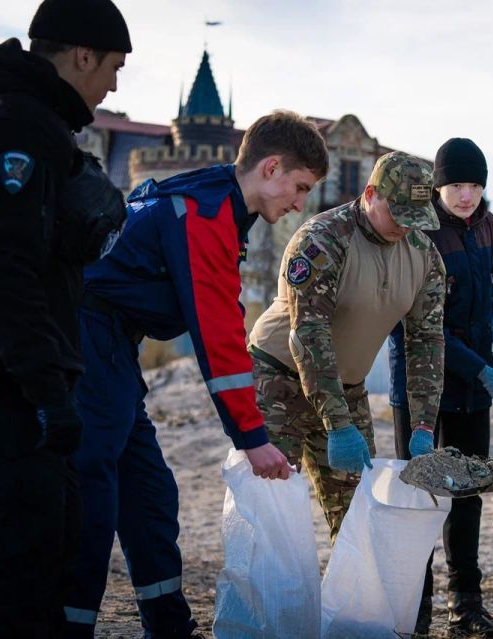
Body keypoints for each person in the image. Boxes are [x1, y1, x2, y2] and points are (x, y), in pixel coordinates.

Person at [62, 110, 328, 638]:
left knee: (149, 493)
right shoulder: (205, 213)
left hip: (111, 345)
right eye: (299, 187)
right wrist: (252, 438)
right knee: (92, 493)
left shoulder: (213, 198)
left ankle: (168, 626)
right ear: (271, 168)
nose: (300, 204)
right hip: (87, 337)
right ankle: (68, 626)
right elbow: (218, 329)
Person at [0, 0, 131, 635]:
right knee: (16, 564)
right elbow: (2, 268)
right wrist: (44, 390)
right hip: (10, 381)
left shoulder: (38, 122)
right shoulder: (14, 125)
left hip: (32, 377)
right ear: (83, 55)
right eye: (112, 68)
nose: (112, 86)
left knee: (53, 543)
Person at [248, 150, 445, 542]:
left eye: (415, 218)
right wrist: (337, 424)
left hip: (349, 385)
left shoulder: (424, 257)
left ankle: (348, 585)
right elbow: (309, 334)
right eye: (398, 215)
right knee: (270, 507)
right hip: (278, 380)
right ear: (370, 195)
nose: (405, 227)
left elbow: (426, 342)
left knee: (359, 514)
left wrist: (424, 423)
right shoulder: (323, 240)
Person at [387, 138, 493, 638]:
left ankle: (466, 606)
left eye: (475, 186)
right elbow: (421, 325)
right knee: (420, 493)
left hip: (474, 382)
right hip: (422, 385)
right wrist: (478, 367)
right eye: (457, 185)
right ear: (438, 186)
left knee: (467, 491)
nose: (466, 196)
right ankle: (414, 607)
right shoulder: (419, 233)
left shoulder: (488, 224)